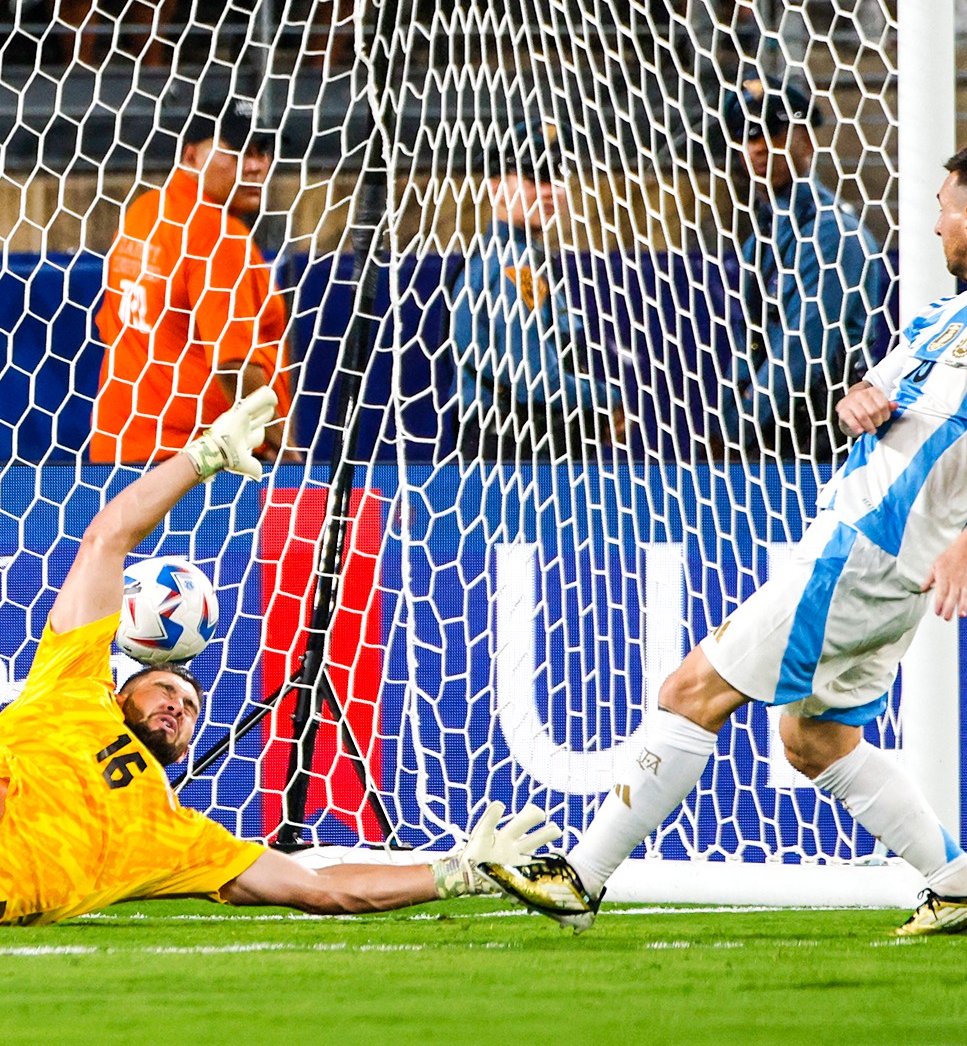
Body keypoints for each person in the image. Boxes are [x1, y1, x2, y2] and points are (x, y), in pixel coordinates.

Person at [480, 141, 967, 936]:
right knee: (814, 736)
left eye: (940, 208)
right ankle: (960, 889)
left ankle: (580, 881)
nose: (934, 226)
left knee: (691, 691)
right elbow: (871, 399)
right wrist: (859, 402)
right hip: (867, 550)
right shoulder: (943, 316)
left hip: (864, 552)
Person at [0, 388, 557, 926]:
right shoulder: (72, 685)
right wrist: (203, 457)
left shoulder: (176, 838)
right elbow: (107, 540)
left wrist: (455, 872)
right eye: (166, 689)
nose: (179, 707)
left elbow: (320, 887)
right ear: (122, 690)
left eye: (192, 708)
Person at [91, 95, 296, 466]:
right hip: (197, 469)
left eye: (262, 151)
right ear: (190, 156)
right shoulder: (218, 235)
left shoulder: (144, 212)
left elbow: (113, 327)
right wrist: (284, 449)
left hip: (119, 451)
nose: (256, 167)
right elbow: (234, 364)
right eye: (237, 152)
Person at [718, 76, 882, 461]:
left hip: (817, 438)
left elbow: (803, 353)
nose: (757, 147)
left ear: (805, 139)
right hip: (772, 434)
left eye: (771, 132)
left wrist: (738, 429)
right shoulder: (760, 237)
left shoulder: (831, 234)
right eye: (746, 135)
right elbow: (751, 344)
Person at [450, 119, 624, 461]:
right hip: (517, 452)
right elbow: (533, 377)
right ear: (496, 186)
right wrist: (607, 397)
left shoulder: (523, 259)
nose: (548, 191)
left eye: (555, 178)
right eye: (533, 177)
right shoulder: (514, 266)